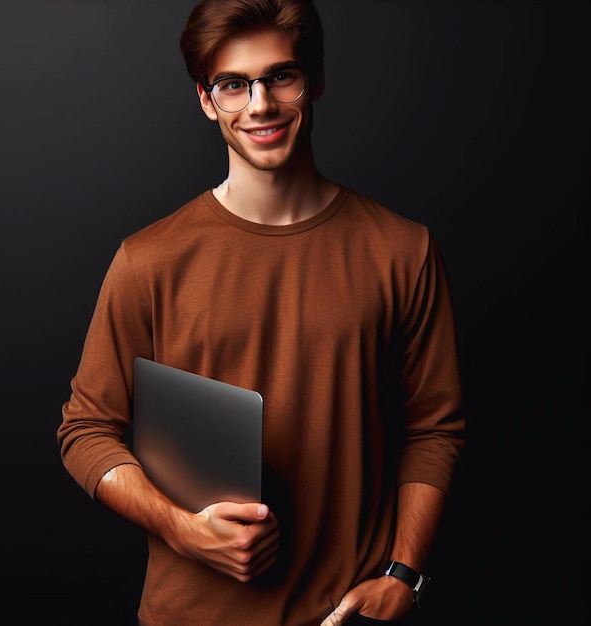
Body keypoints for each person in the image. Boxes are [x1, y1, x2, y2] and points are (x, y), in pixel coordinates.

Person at [57, 1, 465, 624]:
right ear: (205, 99)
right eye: (232, 85)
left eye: (281, 76)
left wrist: (404, 575)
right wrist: (182, 530)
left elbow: (434, 428)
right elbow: (87, 429)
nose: (260, 105)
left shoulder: (402, 249)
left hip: (342, 614)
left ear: (316, 81)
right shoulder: (148, 260)